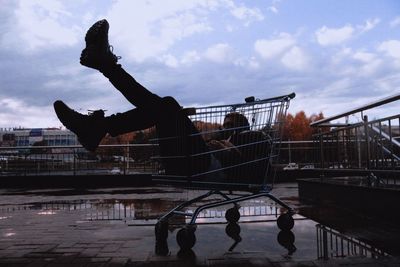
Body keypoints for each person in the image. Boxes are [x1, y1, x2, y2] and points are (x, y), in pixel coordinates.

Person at [54, 19, 256, 180]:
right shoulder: (222, 140)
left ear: (243, 127)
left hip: (208, 167)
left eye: (231, 124)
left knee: (166, 106)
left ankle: (105, 73)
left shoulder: (249, 140)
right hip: (188, 161)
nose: (226, 127)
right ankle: (105, 72)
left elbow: (249, 166)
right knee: (165, 107)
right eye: (226, 122)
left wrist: (227, 147)